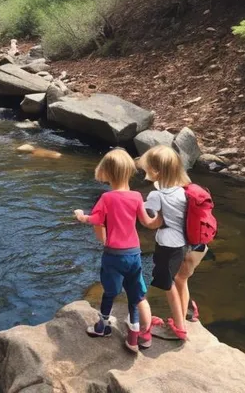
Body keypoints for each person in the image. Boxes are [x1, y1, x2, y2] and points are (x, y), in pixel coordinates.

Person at [74, 148, 158, 352]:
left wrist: (80, 216)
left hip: (113, 254)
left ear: (107, 173)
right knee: (135, 293)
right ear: (129, 170)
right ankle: (133, 336)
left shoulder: (106, 198)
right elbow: (148, 222)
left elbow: (95, 220)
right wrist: (162, 216)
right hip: (134, 254)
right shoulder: (137, 196)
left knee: (110, 291)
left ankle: (103, 327)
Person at [137, 145, 192, 340]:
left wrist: (138, 211)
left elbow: (151, 223)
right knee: (173, 282)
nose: (145, 172)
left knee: (167, 284)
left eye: (147, 169)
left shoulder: (156, 195)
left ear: (157, 171)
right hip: (181, 244)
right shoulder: (183, 191)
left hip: (167, 245)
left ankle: (179, 327)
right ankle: (181, 320)